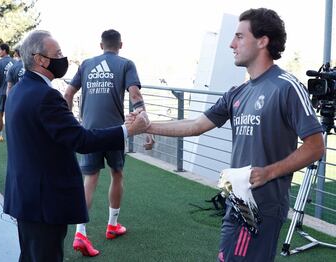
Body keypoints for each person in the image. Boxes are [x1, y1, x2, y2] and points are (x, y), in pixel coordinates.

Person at [128, 8, 324, 261]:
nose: (232, 44)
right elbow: (196, 124)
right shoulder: (237, 92)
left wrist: (269, 172)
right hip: (236, 199)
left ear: (263, 41)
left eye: (240, 37)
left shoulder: (286, 86)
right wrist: (148, 126)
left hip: (262, 205)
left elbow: (316, 145)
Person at [4, 29, 149, 262]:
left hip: (25, 199)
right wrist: (128, 130)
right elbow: (81, 140)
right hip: (44, 205)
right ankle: (110, 224)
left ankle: (84, 232)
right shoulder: (45, 96)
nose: (63, 58)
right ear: (41, 59)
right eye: (58, 53)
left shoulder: (19, 91)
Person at [64, 29, 154, 256]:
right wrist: (146, 127)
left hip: (88, 131)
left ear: (101, 45)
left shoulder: (86, 64)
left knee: (90, 179)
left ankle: (80, 233)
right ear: (120, 45)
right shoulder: (126, 64)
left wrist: (68, 122)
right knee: (117, 174)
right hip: (115, 132)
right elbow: (135, 96)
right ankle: (112, 225)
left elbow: (68, 93)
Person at [0, 43, 15, 142]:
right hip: (13, 92)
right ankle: (13, 135)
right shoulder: (15, 62)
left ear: (4, 50)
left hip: (1, 92)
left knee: (0, 113)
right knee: (12, 114)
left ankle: (0, 135)